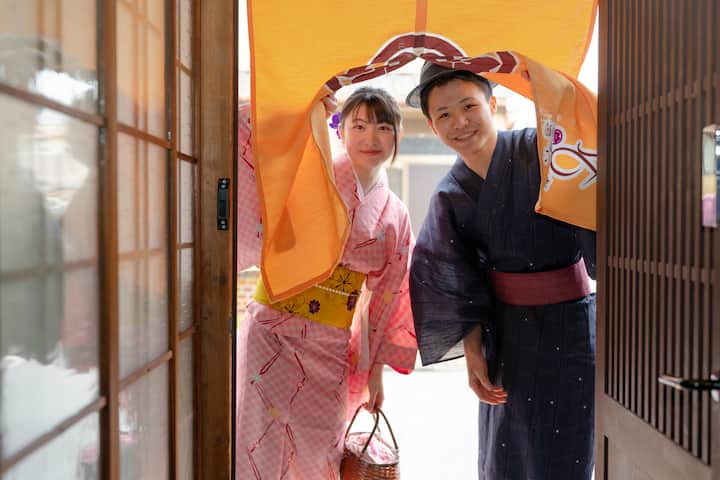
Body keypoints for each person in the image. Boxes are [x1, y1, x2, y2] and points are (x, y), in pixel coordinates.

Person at [407, 61, 597, 479]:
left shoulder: (544, 151)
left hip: (572, 328)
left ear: (491, 104)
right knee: (508, 454)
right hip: (509, 340)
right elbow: (456, 283)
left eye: (469, 106)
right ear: (432, 125)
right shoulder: (451, 194)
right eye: (444, 114)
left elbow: (591, 191)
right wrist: (473, 354)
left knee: (571, 450)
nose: (460, 122)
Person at [235, 87, 417, 479]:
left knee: (321, 453)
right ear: (339, 130)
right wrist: (303, 105)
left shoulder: (396, 214)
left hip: (331, 344)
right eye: (359, 126)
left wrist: (376, 370)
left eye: (384, 128)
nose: (371, 138)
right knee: (260, 445)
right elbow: (261, 141)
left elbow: (390, 295)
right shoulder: (311, 175)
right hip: (273, 331)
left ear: (397, 134)